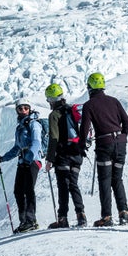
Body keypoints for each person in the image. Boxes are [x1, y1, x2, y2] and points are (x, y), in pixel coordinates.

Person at [78, 72, 128, 227]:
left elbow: (85, 128)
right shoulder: (114, 101)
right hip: (120, 144)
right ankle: (124, 213)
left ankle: (107, 217)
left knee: (105, 181)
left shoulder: (89, 105)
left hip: (104, 145)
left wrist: (82, 146)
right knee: (117, 179)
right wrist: (122, 137)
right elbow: (126, 122)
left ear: (90, 88)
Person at [0, 98, 44, 233]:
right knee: (18, 191)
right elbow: (17, 148)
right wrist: (3, 158)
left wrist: (29, 158)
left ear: (30, 109)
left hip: (33, 161)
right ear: (16, 110)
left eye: (26, 108)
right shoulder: (20, 128)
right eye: (20, 108)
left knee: (28, 190)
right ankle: (24, 221)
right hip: (23, 162)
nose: (23, 110)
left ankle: (31, 221)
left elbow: (36, 143)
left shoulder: (34, 124)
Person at [43, 83, 87, 228]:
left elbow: (54, 137)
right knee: (73, 184)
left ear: (51, 99)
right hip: (77, 153)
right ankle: (81, 215)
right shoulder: (71, 110)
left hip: (63, 155)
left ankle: (63, 219)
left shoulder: (54, 115)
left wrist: (49, 159)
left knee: (63, 186)